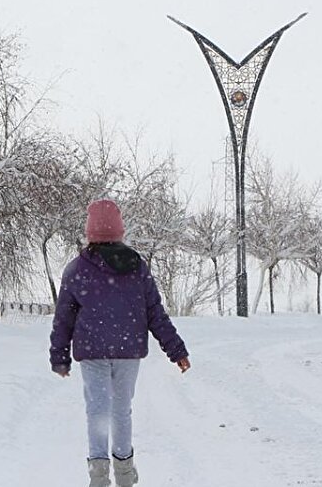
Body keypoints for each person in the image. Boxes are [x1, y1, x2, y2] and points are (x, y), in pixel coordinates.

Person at [49, 199, 190, 487]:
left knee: (98, 411)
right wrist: (176, 351)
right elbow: (155, 312)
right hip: (128, 352)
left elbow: (63, 318)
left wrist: (59, 357)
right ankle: (124, 474)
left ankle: (99, 476)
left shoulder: (76, 269)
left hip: (93, 353)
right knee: (121, 410)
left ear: (90, 231)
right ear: (119, 229)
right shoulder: (137, 266)